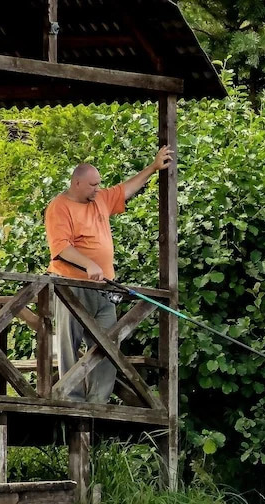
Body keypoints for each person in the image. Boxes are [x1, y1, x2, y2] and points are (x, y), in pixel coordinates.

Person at [45, 146, 173, 403]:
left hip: (104, 288)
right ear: (77, 182)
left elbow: (126, 189)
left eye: (99, 184)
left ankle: (97, 401)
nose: (97, 189)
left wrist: (152, 167)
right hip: (71, 286)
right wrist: (88, 264)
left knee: (108, 344)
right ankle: (70, 399)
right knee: (69, 343)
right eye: (92, 184)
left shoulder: (100, 199)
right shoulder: (59, 207)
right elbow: (60, 248)